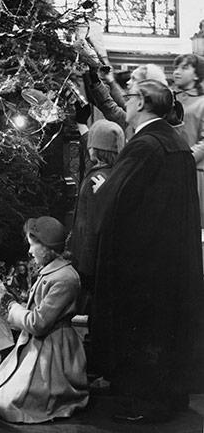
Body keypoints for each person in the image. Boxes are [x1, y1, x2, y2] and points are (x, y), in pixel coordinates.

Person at [92, 79, 204, 423]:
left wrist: (102, 188)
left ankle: (143, 404)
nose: (124, 103)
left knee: (141, 329)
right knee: (167, 329)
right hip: (171, 256)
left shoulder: (145, 145)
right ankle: (170, 398)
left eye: (129, 98)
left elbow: (119, 196)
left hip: (143, 260)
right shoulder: (176, 141)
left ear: (142, 102)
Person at [0, 216, 88, 423]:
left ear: (47, 247)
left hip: (53, 354)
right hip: (39, 347)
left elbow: (38, 324)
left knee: (7, 402)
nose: (29, 251)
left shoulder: (65, 278)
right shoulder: (53, 273)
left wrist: (11, 306)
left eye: (32, 244)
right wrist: (14, 301)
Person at [71, 119, 124, 304]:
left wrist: (85, 267)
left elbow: (93, 225)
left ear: (96, 148)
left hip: (88, 259)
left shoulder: (98, 179)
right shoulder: (113, 173)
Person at [172, 53, 204, 225]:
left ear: (197, 74)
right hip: (170, 169)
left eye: (184, 68)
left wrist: (186, 158)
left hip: (195, 171)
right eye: (176, 67)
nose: (177, 72)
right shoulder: (170, 100)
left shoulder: (202, 102)